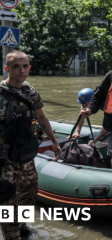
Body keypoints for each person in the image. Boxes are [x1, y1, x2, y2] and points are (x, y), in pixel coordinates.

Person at [0, 51, 61, 239]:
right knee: (8, 197)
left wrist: (55, 142)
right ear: (7, 68)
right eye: (16, 66)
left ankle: (23, 226)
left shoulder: (30, 92)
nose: (21, 70)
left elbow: (41, 118)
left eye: (25, 66)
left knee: (29, 191)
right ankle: (12, 234)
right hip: (4, 157)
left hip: (25, 154)